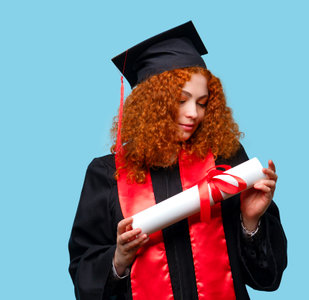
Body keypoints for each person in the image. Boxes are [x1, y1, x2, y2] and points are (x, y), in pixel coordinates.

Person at [69, 21, 287, 300]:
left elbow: (268, 279)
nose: (193, 113)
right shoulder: (108, 174)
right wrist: (119, 259)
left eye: (202, 102)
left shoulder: (226, 160)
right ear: (152, 103)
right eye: (181, 100)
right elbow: (83, 279)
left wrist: (250, 222)